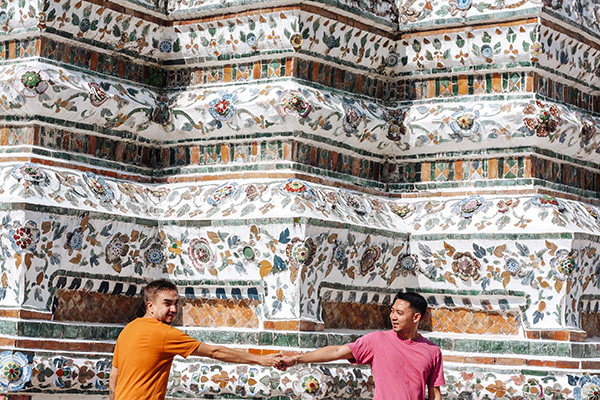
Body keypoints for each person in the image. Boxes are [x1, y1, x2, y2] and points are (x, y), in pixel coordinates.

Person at [109, 280, 281, 400]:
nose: (174, 309)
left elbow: (114, 374)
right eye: (167, 304)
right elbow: (215, 352)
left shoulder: (128, 329)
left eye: (176, 303)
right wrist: (260, 359)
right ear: (150, 306)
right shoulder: (165, 333)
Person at [276, 291, 444, 400]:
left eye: (399, 313)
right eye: (392, 311)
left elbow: (435, 393)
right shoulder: (377, 340)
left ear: (416, 317)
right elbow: (336, 351)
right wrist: (295, 359)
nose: (393, 316)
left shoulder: (432, 351)